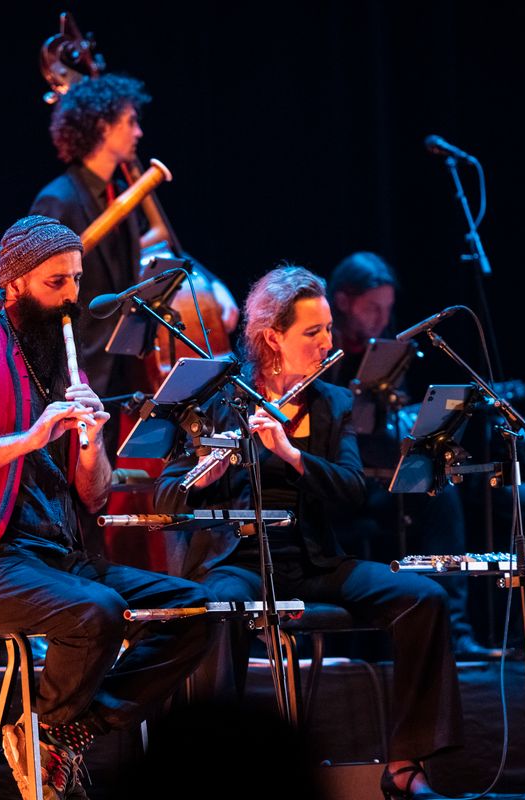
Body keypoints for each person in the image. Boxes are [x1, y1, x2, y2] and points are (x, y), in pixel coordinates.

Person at [0, 215, 211, 799]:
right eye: (56, 284)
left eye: (76, 280)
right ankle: (50, 731)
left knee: (193, 609)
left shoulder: (57, 360)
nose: (72, 298)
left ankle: (56, 732)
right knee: (97, 611)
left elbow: (93, 496)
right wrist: (28, 439)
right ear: (15, 283)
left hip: (50, 557)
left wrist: (93, 443)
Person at [154, 266, 463, 799]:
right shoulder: (218, 396)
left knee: (424, 599)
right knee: (217, 608)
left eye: (326, 331)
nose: (326, 343)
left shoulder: (333, 402)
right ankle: (214, 774)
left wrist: (290, 454)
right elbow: (165, 498)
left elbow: (351, 491)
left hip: (314, 559)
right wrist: (210, 473)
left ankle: (406, 766)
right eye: (312, 333)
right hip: (239, 560)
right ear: (273, 337)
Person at [328, 251, 496, 659]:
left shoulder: (386, 351)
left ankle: (454, 629)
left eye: (387, 309)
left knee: (440, 491)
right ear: (344, 301)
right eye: (372, 308)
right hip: (334, 483)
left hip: (374, 478)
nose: (381, 319)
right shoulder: (322, 347)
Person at [31, 74, 238, 395]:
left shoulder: (122, 193)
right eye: (130, 122)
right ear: (103, 126)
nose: (138, 132)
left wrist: (213, 284)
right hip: (80, 371)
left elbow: (157, 243)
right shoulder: (59, 199)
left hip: (124, 366)